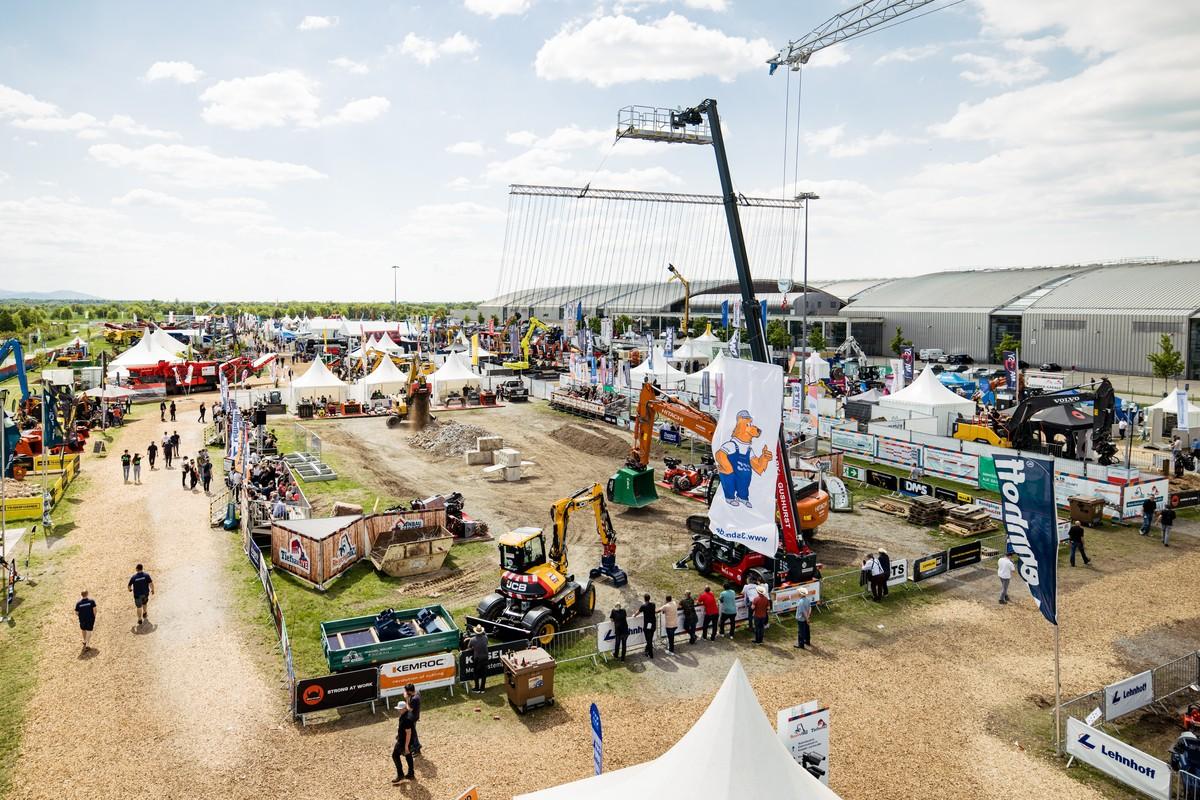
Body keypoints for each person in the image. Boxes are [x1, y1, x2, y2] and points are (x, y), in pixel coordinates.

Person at [391, 699, 416, 783]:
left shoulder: (406, 718)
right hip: (405, 739)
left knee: (395, 755)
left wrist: (406, 746)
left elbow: (408, 733)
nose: (398, 710)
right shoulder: (407, 714)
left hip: (404, 741)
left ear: (404, 708)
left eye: (400, 709)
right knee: (408, 755)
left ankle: (400, 774)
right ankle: (411, 773)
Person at [403, 684, 422, 756]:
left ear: (410, 691)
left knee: (413, 734)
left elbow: (409, 709)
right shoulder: (416, 693)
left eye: (406, 691)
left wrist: (406, 699)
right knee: (412, 733)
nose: (405, 692)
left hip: (413, 718)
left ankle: (417, 747)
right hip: (414, 717)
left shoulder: (414, 698)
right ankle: (415, 747)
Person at [469, 625, 488, 693]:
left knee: (476, 673)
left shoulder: (472, 639)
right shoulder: (485, 638)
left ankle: (477, 688)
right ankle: (482, 689)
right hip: (485, 657)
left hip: (477, 658)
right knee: (484, 674)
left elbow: (469, 647)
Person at [637, 594, 657, 658]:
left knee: (648, 640)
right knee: (650, 639)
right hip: (653, 624)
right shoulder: (653, 604)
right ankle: (647, 650)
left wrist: (634, 615)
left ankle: (650, 654)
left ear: (644, 599)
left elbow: (638, 612)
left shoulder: (643, 606)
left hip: (647, 625)